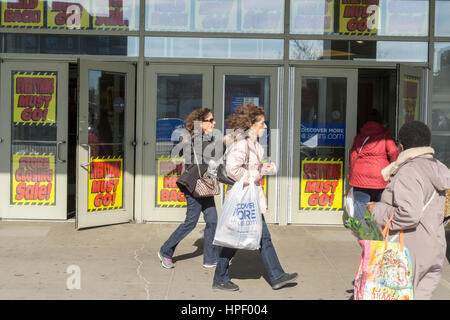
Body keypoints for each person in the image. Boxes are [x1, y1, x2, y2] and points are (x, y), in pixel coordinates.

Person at [212, 103, 298, 291]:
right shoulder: (242, 143)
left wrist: (266, 168)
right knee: (237, 238)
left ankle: (276, 276)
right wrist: (256, 175)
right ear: (251, 124)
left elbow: (251, 167)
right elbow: (232, 169)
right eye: (262, 123)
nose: (265, 127)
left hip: (249, 197)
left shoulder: (252, 143)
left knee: (252, 237)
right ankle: (221, 278)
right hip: (244, 198)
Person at [367, 120, 450, 300]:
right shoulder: (439, 168)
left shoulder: (409, 171)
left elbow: (409, 214)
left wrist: (378, 210)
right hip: (435, 246)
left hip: (409, 249)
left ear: (402, 146)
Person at [158, 108, 219, 269]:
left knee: (212, 220)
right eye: (210, 120)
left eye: (213, 120)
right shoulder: (195, 139)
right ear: (200, 122)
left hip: (204, 185)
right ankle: (165, 251)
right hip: (193, 185)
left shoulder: (204, 138)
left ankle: (210, 258)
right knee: (190, 222)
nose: (214, 123)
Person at [349, 109, 398, 222]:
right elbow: (393, 152)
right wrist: (393, 170)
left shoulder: (359, 136)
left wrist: (351, 174)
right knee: (382, 206)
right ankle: (379, 232)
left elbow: (353, 156)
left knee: (360, 205)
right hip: (380, 175)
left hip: (360, 175)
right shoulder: (385, 135)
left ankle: (363, 234)